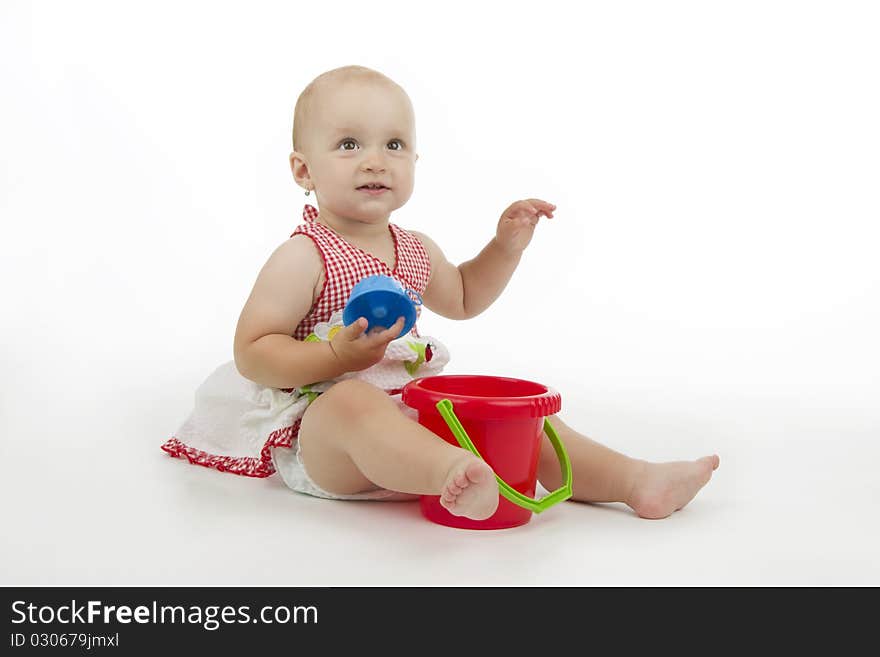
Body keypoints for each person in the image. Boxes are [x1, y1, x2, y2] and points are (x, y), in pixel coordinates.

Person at [162, 65, 720, 521]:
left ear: (414, 161)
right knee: (353, 401)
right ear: (302, 169)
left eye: (395, 144)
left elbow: (466, 297)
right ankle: (451, 476)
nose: (375, 159)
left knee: (512, 417)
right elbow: (254, 353)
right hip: (325, 431)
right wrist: (333, 357)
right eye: (349, 144)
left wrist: (505, 247)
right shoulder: (305, 255)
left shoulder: (415, 248)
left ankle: (634, 480)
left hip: (411, 415)